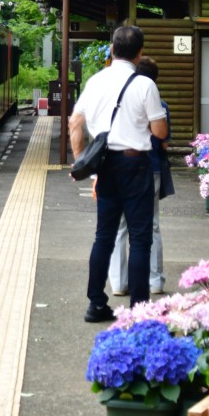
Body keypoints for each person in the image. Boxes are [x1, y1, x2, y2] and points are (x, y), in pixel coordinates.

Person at [70, 25, 167, 321]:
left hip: (105, 166)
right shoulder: (144, 85)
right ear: (139, 53)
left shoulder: (96, 81)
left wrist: (83, 162)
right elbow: (160, 132)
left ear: (112, 49)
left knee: (104, 236)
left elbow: (75, 123)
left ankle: (96, 304)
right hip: (135, 164)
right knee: (140, 238)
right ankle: (139, 310)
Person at [107, 55, 172, 297]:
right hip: (151, 168)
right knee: (151, 225)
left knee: (120, 226)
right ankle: (155, 282)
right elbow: (164, 142)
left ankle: (119, 283)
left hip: (118, 167)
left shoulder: (118, 99)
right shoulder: (161, 105)